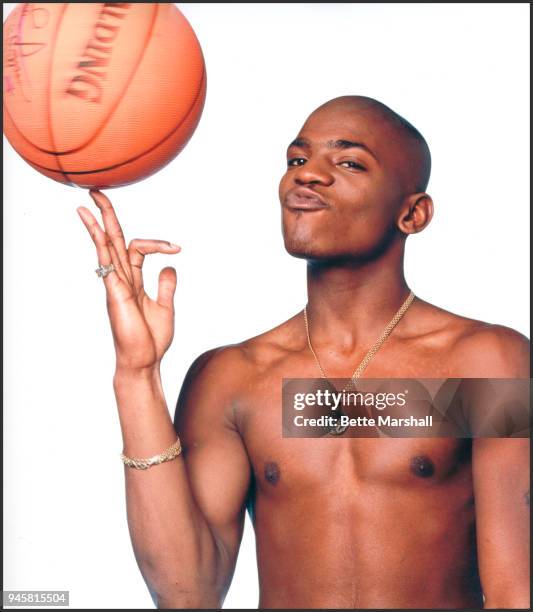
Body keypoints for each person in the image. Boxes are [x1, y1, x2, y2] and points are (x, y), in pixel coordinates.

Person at [77, 96, 530, 609]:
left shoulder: (485, 362)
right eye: (296, 160)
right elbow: (188, 593)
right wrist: (137, 374)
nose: (307, 175)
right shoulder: (233, 379)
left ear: (413, 213)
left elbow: (518, 593)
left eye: (349, 162)